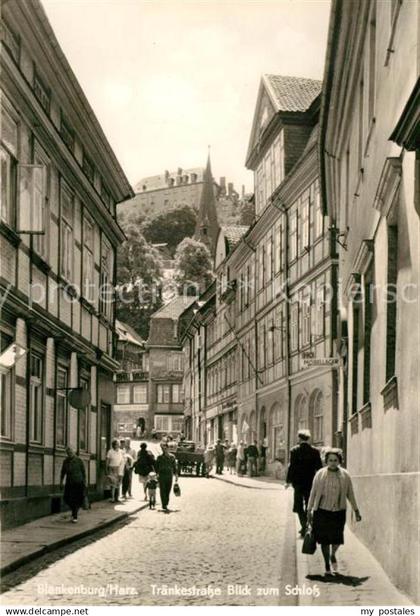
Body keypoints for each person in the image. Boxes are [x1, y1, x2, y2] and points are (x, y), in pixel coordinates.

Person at [307, 448, 362, 576]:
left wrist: (356, 510)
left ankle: (333, 554)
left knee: (337, 538)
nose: (332, 463)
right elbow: (313, 493)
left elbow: (350, 494)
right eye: (330, 460)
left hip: (338, 512)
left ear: (339, 461)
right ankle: (327, 563)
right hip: (322, 511)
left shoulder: (345, 475)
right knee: (324, 540)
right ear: (326, 461)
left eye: (335, 460)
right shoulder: (320, 474)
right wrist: (309, 509)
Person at [285, 430, 323, 536]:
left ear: (299, 438)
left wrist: (288, 481)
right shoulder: (315, 451)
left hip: (298, 483)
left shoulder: (294, 451)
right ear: (308, 439)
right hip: (311, 482)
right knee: (309, 504)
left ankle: (304, 526)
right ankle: (308, 525)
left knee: (298, 505)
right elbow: (319, 468)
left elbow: (291, 467)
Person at [60, 447, 86, 523]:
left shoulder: (79, 460)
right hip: (69, 483)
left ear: (73, 452)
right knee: (66, 498)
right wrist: (61, 482)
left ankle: (75, 516)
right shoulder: (65, 461)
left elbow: (83, 472)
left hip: (78, 482)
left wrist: (85, 482)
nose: (69, 454)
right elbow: (63, 472)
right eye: (68, 453)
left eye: (71, 452)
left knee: (75, 499)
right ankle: (74, 511)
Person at [155, 440, 178, 513]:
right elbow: (156, 467)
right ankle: (164, 504)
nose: (164, 450)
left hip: (169, 475)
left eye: (166, 448)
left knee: (168, 490)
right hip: (162, 476)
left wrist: (176, 475)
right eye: (163, 449)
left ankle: (166, 502)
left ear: (168, 449)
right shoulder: (159, 457)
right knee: (162, 490)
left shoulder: (172, 457)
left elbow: (174, 467)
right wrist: (156, 474)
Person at [106, 439, 125, 503]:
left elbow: (123, 461)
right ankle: (112, 498)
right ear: (113, 445)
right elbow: (107, 461)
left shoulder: (121, 452)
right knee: (113, 484)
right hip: (112, 468)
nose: (118, 445)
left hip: (119, 468)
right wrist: (107, 468)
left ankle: (117, 497)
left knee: (118, 484)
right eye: (116, 444)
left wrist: (122, 469)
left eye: (118, 444)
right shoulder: (110, 451)